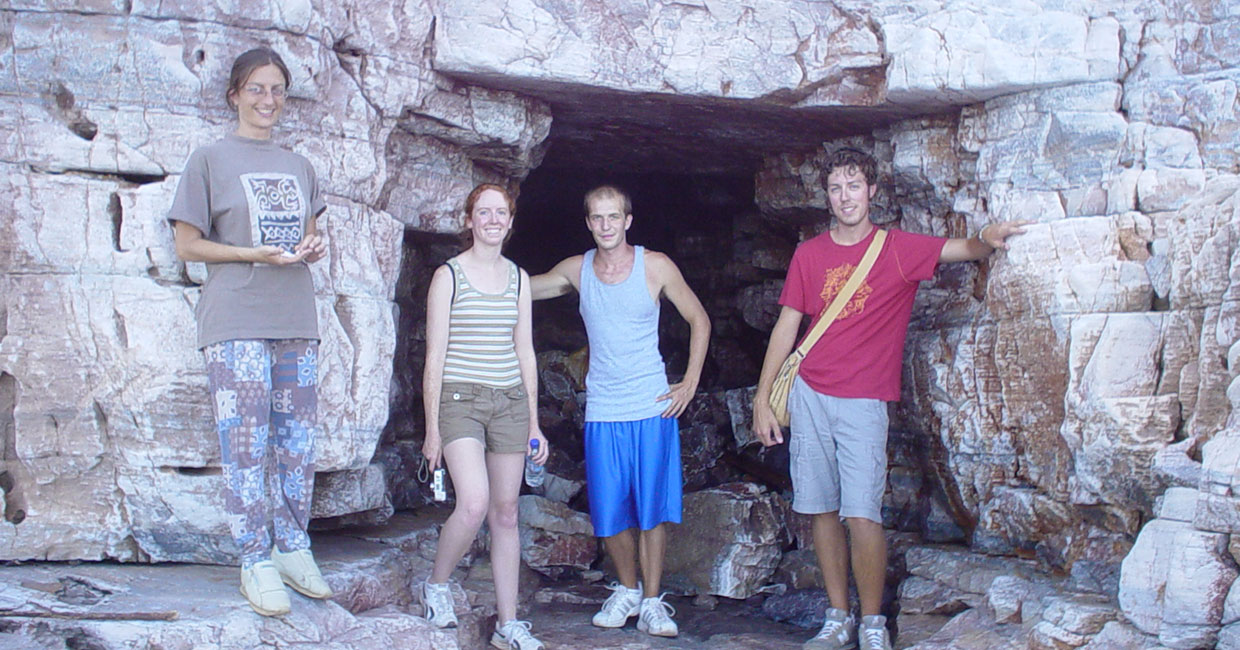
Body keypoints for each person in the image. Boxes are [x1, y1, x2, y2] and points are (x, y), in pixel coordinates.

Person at [751, 148, 1029, 650]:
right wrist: (762, 400)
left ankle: (873, 621)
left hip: (864, 399)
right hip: (810, 391)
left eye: (854, 186)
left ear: (872, 191)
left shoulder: (895, 248)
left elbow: (959, 249)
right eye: (836, 188)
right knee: (819, 507)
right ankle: (838, 618)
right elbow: (786, 327)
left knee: (862, 513)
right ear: (828, 196)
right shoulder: (809, 255)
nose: (845, 197)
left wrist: (986, 240)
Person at [168, 47, 333, 616]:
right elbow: (187, 245)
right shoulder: (210, 160)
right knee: (245, 444)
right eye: (257, 89)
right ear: (235, 94)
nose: (268, 100)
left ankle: (292, 545)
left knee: (296, 442)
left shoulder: (300, 166)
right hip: (236, 318)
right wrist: (249, 253)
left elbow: (309, 238)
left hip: (295, 317)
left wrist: (309, 247)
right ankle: (253, 558)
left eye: (277, 90)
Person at [531, 185, 710, 638]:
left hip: (650, 406)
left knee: (651, 510)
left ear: (628, 220)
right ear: (588, 222)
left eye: (614, 217)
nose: (606, 225)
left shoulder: (656, 265)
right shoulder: (577, 269)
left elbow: (699, 319)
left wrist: (689, 381)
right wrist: (479, 266)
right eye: (597, 218)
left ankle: (652, 602)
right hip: (604, 409)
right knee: (610, 512)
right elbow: (522, 289)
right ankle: (627, 590)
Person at [421, 183, 549, 650]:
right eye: (484, 212)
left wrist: (534, 422)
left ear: (510, 222)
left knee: (507, 512)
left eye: (501, 212)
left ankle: (507, 625)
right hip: (459, 401)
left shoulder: (518, 278)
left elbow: (525, 352)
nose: (493, 219)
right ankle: (437, 583)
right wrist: (432, 429)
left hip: (510, 401)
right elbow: (434, 357)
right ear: (469, 220)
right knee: (473, 502)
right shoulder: (448, 276)